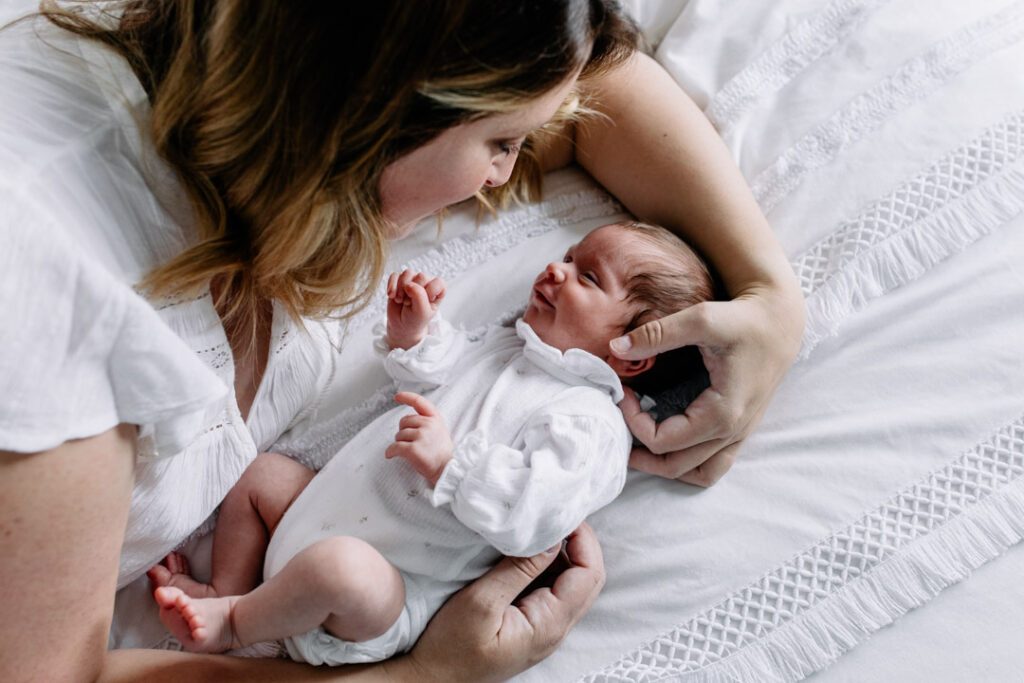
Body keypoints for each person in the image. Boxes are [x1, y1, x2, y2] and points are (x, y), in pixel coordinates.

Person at [0, 1, 803, 681]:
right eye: (500, 143)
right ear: (375, 114)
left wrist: (771, 294)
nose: (503, 175)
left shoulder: (254, 111)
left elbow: (593, 89)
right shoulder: (59, 316)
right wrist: (425, 676)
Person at [146, 221, 716, 664]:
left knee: (340, 568)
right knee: (263, 474)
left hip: (382, 593)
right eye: (569, 256)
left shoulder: (589, 422)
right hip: (314, 518)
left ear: (635, 353)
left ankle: (236, 624)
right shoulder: (508, 348)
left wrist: (452, 466)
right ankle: (223, 586)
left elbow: (539, 515)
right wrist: (415, 336)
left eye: (588, 277)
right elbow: (434, 381)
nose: (556, 268)